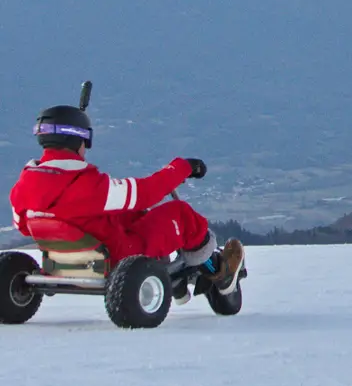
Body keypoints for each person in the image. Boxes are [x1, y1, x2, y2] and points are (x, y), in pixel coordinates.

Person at [9, 102, 244, 296]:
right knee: (180, 214)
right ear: (80, 140)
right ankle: (219, 273)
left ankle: (175, 274)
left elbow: (24, 227)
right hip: (117, 259)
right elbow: (144, 194)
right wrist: (181, 168)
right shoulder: (87, 184)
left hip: (63, 258)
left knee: (127, 214)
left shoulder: (25, 184)